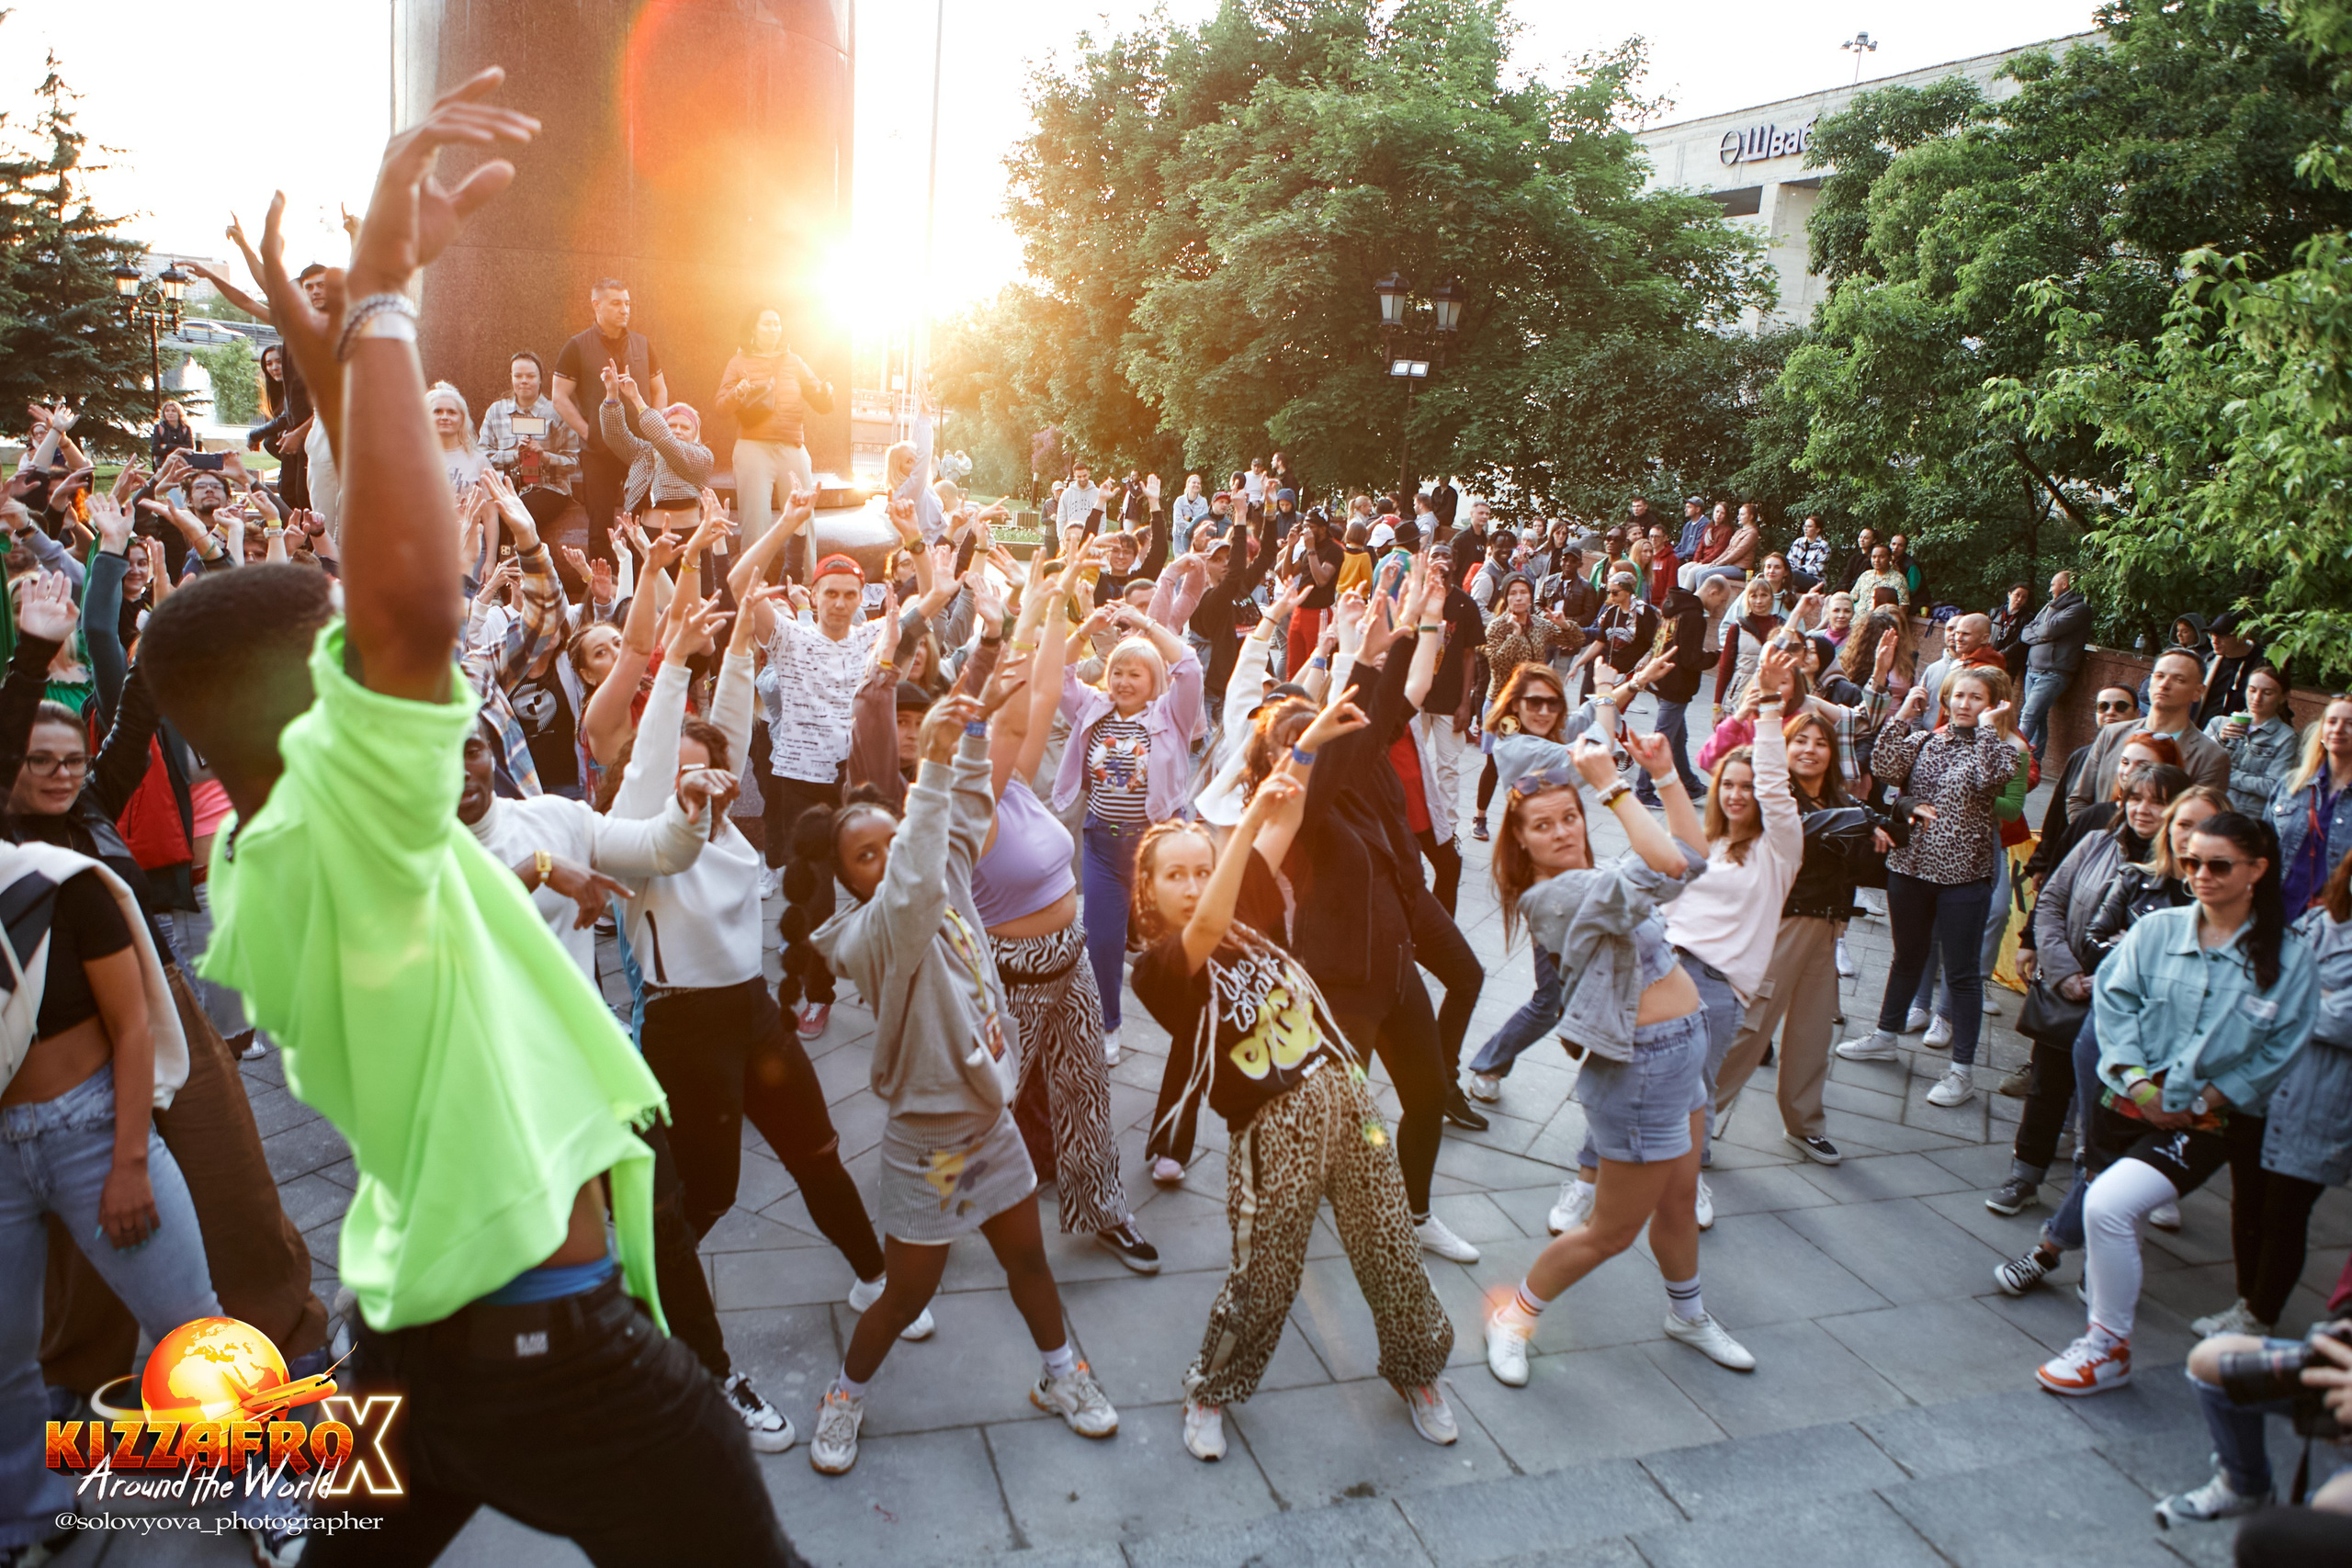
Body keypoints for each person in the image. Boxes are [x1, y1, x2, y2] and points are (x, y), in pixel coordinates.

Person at [140, 72, 802, 1560]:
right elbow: (409, 602)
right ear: (317, 714)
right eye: (343, 662)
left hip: (417, 1333)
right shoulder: (352, 834)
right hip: (548, 1357)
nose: (376, 672)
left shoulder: (277, 851)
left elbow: (353, 589)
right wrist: (380, 299)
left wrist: (329, 399)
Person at [799, 685, 1120, 1476]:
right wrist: (932, 767)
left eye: (890, 841)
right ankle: (843, 1396)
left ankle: (1063, 1374)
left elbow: (963, 815)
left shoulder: (937, 879)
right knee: (906, 1296)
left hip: (988, 1120)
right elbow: (909, 886)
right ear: (846, 879)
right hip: (928, 1144)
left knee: (1029, 1263)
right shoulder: (867, 934)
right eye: (864, 854)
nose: (888, 858)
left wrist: (972, 726)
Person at [1133, 773, 1461, 1461]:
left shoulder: (1249, 922)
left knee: (1392, 1244)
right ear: (1148, 894)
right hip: (1273, 1130)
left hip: (1347, 1099)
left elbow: (1289, 812)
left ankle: (1418, 1370)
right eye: (1175, 875)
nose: (1194, 883)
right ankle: (1211, 1388)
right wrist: (1244, 824)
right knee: (1267, 1275)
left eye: (1203, 868)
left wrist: (1313, 739)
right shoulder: (1162, 966)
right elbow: (1210, 917)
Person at [1483, 728, 1761, 1385]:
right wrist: (1610, 786)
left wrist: (1663, 773)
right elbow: (1669, 865)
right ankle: (1513, 1315)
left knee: (1680, 1198)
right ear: (1519, 839)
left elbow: (1691, 856)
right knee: (1610, 1231)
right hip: (1639, 1072)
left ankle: (1687, 1314)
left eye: (1568, 818)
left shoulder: (1594, 873)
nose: (1560, 832)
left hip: (1684, 1049)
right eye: (1541, 825)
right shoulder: (1554, 897)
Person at [2033, 812, 2316, 1397]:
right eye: (2191, 863)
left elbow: (2280, 1050)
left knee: (2109, 1205)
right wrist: (2140, 1086)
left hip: (2209, 1121)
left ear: (2257, 871)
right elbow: (2115, 1009)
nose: (2201, 876)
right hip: (2126, 1099)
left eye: (2218, 865)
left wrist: (2207, 1097)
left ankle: (2107, 1347)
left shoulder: (2289, 959)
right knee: (2113, 1215)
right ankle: (2105, 1337)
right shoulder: (2157, 932)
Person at [0, 831, 215, 1566]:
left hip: (91, 1131)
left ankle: (264, 1492)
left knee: (192, 1328)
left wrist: (127, 1161)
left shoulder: (58, 884)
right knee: (3, 1359)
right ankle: (27, 1518)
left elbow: (131, 1029)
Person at [978, 553, 1159, 1271]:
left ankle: (1104, 1207)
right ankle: (930, 1216)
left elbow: (1045, 689)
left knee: (1086, 1085)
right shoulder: (971, 802)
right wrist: (1028, 628)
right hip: (1014, 971)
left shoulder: (1017, 781)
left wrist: (1052, 605)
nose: (1023, 706)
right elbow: (1023, 694)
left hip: (1070, 954)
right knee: (989, 1101)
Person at [1986, 770, 2204, 1248]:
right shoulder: (2095, 842)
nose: (2142, 810)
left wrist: (2107, 973)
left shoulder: (2191, 875)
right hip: (2072, 993)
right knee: (2047, 1088)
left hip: (2136, 1016)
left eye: (2158, 802)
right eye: (2134, 799)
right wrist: (2065, 973)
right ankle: (2025, 1176)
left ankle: (2103, 1209)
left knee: (2107, 1112)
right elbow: (2051, 904)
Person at [1711, 708, 1894, 1165]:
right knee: (1748, 1030)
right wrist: (1863, 818)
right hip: (1781, 924)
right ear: (1785, 748)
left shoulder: (1837, 800)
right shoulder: (1774, 796)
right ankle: (1695, 1122)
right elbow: (1795, 835)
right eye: (1801, 741)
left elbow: (1862, 866)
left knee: (1812, 1034)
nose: (1810, 750)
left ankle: (1804, 1124)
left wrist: (1890, 826)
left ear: (1832, 753)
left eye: (1821, 743)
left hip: (1828, 926)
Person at [2184, 848, 2352, 1341]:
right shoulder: (2323, 918)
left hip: (2321, 1100)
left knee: (2285, 1212)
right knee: (2249, 1202)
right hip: (2263, 1090)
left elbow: (2340, 1020)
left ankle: (2262, 1313)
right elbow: (2264, 982)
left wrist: (2296, 999)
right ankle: (2246, 1301)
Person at [1835, 668, 2023, 1107]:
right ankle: (1885, 1034)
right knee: (1906, 958)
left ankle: (1962, 1071)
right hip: (1910, 869)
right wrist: (1902, 714)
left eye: (1976, 697)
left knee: (1960, 975)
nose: (1964, 703)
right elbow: (1882, 766)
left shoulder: (2003, 750)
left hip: (1964, 878)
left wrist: (1992, 729)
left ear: (1994, 704)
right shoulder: (1926, 739)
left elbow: (1988, 779)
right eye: (1958, 695)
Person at [1056, 597, 1202, 1058]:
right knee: (1100, 939)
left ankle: (1196, 1018)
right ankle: (1107, 1025)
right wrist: (1084, 631)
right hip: (1101, 842)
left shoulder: (1170, 715)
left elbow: (1191, 667)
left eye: (1134, 674)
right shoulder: (1093, 706)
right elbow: (1058, 676)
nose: (1122, 682)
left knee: (1177, 938)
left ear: (1153, 679)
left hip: (1157, 845)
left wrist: (1145, 624)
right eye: (1117, 672)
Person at [552, 276, 667, 567]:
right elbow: (559, 397)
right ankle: (603, 596)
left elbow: (659, 389)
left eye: (627, 303)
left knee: (643, 524)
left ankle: (642, 588)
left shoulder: (642, 343)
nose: (624, 309)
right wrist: (589, 432)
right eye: (616, 303)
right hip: (598, 453)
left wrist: (657, 430)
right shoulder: (576, 346)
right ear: (596, 304)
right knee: (600, 525)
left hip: (641, 450)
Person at [716, 306, 833, 563]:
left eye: (777, 323)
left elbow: (822, 403)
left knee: (803, 518)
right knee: (755, 523)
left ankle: (805, 587)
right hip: (753, 449)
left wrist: (826, 392)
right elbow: (720, 406)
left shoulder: (795, 361)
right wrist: (738, 392)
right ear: (753, 329)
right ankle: (752, 586)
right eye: (767, 323)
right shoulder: (738, 362)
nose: (774, 328)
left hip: (793, 446)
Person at [2066, 648, 2233, 811]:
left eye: (2179, 679)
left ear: (2198, 692)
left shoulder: (2211, 757)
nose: (2164, 685)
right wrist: (2096, 837)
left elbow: (2199, 822)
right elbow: (2078, 800)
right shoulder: (2112, 734)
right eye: (2159, 676)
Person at [478, 349, 582, 550]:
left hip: (548, 488)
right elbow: (481, 455)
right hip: (504, 485)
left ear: (541, 379)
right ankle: (500, 571)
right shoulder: (497, 411)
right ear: (511, 378)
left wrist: (544, 456)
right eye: (518, 376)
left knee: (520, 513)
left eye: (530, 376)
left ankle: (526, 570)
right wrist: (514, 455)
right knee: (498, 511)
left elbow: (574, 462)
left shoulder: (557, 412)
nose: (524, 381)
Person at [599, 362, 713, 536]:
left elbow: (667, 442)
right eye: (671, 425)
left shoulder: (703, 456)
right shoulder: (644, 451)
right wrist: (612, 393)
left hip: (688, 537)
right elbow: (614, 435)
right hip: (646, 535)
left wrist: (636, 398)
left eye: (685, 427)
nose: (677, 430)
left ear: (695, 434)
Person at [2271, 695, 2352, 917]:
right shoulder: (2290, 785)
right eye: (2332, 721)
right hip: (2275, 912)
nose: (2338, 729)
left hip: (2334, 923)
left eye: (2350, 723)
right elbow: (2263, 847)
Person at [2018, 569, 2093, 759]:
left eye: (2053, 584)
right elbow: (2026, 632)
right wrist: (2041, 635)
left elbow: (2049, 630)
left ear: (2064, 585)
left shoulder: (2079, 609)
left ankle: (2010, 759)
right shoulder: (2049, 607)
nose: (2050, 589)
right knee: (2038, 717)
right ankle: (2034, 764)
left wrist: (2041, 634)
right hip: (2033, 669)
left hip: (2053, 673)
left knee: (2028, 715)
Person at [2208, 663, 2299, 817]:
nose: (2257, 698)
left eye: (2267, 693)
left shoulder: (2286, 738)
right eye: (2252, 690)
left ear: (2283, 697)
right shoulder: (2219, 723)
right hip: (2207, 806)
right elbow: (2194, 762)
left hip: (2246, 817)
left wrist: (2227, 774)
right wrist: (2220, 739)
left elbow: (2274, 786)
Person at [426, 380, 488, 498]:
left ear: (462, 419)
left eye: (452, 412)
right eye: (437, 411)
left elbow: (490, 515)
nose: (444, 417)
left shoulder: (480, 462)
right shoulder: (413, 460)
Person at [1990, 582, 2030, 684]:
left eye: (2024, 597)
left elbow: (2021, 641)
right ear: (2009, 594)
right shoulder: (1994, 612)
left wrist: (2001, 655)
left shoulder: (2027, 618)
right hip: (1988, 657)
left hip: (2009, 664)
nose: (2019, 599)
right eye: (2017, 595)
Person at [1849, 542, 1908, 609]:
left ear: (1889, 558)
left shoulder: (1898, 579)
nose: (1876, 560)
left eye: (1882, 557)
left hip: (1880, 618)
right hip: (1857, 617)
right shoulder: (1865, 575)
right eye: (1874, 557)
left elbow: (1903, 606)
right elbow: (1853, 596)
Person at [1787, 514, 1832, 590]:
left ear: (1817, 530)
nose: (1805, 529)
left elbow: (1819, 568)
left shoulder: (1823, 546)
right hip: (1795, 574)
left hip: (1815, 579)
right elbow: (1789, 560)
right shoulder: (1798, 542)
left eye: (1809, 526)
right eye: (1805, 526)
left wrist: (1801, 570)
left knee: (1793, 574)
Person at [149, 400, 197, 470]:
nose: (170, 413)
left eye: (173, 411)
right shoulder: (159, 428)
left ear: (179, 413)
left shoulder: (185, 428)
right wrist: (176, 453)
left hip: (181, 464)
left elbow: (189, 447)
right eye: (167, 411)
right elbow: (155, 450)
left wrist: (166, 446)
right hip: (163, 464)